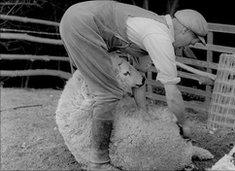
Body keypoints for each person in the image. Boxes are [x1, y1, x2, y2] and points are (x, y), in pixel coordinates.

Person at [59, 0, 208, 170]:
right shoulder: (159, 37)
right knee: (108, 93)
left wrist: (142, 114)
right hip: (82, 24)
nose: (194, 43)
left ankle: (88, 142)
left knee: (95, 86)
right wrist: (184, 125)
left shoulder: (153, 29)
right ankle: (99, 163)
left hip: (76, 19)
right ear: (184, 30)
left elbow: (139, 80)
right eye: (195, 38)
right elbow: (172, 94)